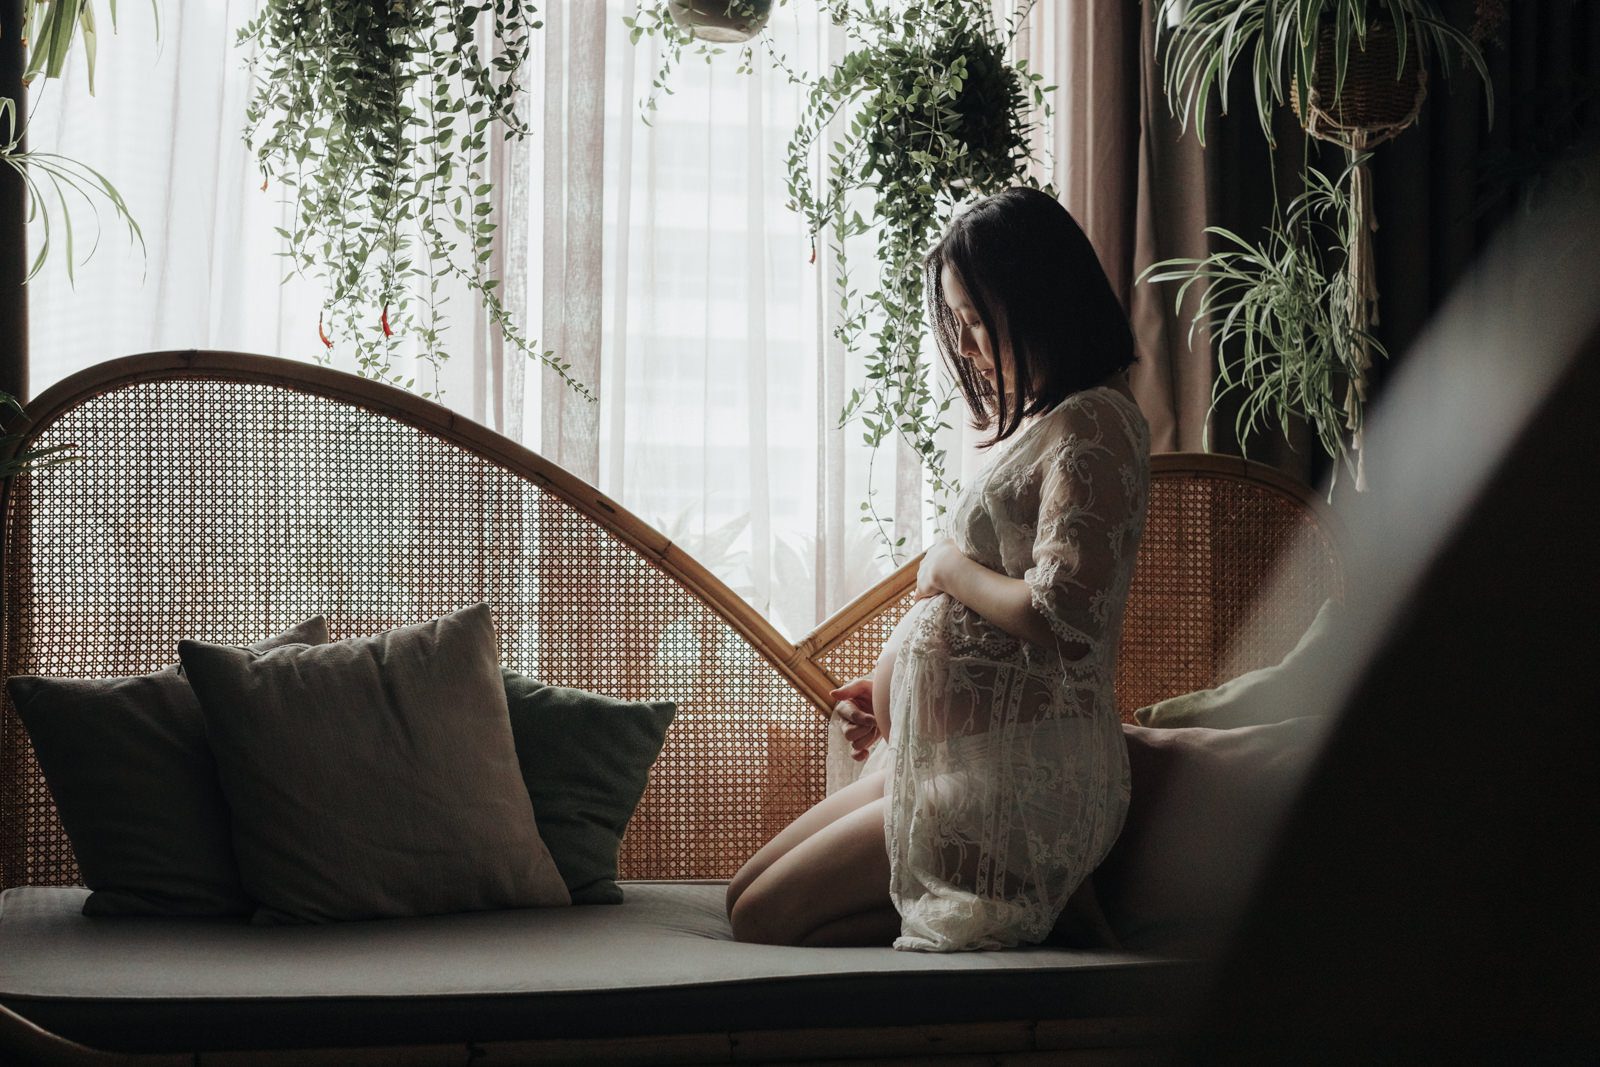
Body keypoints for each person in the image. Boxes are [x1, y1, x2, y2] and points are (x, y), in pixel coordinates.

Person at [726, 186, 1150, 951]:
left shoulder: (1096, 420)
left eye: (977, 320)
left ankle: (1029, 909)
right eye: (955, 320)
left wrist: (947, 569)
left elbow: (1064, 615)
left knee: (764, 917)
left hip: (1014, 782)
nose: (965, 341)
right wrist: (910, 699)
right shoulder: (1055, 422)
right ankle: (1034, 909)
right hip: (945, 761)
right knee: (738, 895)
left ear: (1040, 302)